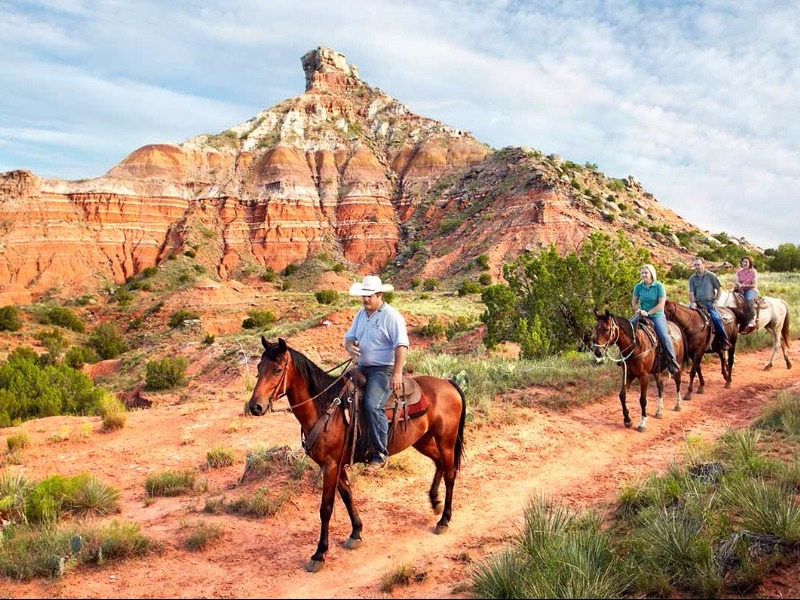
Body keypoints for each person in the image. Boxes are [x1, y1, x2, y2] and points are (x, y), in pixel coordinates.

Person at [344, 275, 409, 471]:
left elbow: (401, 345)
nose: (365, 300)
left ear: (379, 295)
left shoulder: (391, 315)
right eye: (363, 296)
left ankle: (380, 454)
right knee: (341, 394)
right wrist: (349, 347)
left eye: (369, 296)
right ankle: (352, 445)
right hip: (362, 367)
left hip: (383, 369)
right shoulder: (361, 315)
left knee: (373, 405)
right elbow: (349, 337)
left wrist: (397, 373)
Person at [631, 264, 680, 375]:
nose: (644, 275)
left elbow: (661, 304)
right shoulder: (638, 287)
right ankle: (623, 357)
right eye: (642, 273)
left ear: (651, 274)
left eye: (646, 273)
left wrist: (648, 313)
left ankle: (672, 362)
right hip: (641, 315)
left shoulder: (659, 286)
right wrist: (638, 310)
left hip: (656, 315)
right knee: (627, 329)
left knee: (663, 336)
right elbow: (634, 302)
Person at [688, 257, 732, 350]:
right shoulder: (692, 278)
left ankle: (724, 339)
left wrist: (715, 301)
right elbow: (691, 292)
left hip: (709, 303)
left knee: (716, 318)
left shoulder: (711, 276)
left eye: (698, 264)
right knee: (686, 319)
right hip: (697, 303)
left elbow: (719, 289)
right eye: (695, 265)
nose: (696, 267)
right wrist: (692, 303)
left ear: (704, 264)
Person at [734, 256, 759, 331]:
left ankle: (751, 319)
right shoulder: (739, 271)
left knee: (748, 300)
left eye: (746, 262)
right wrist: (737, 286)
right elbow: (737, 281)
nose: (744, 263)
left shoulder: (753, 271)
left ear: (750, 263)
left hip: (751, 290)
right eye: (743, 262)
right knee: (731, 298)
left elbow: (754, 284)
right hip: (741, 290)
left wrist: (743, 285)